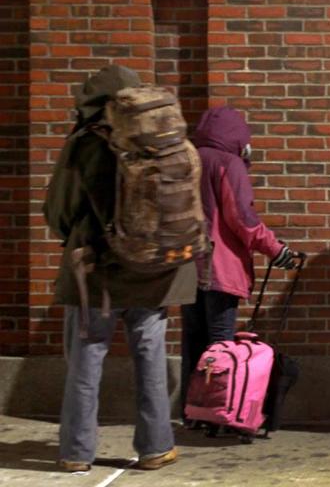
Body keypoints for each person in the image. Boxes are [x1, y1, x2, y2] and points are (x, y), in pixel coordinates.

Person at [45, 65, 197, 472]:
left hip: (97, 272)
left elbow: (58, 210)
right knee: (150, 354)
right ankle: (156, 447)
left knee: (87, 356)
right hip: (155, 269)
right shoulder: (162, 137)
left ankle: (77, 452)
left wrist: (77, 233)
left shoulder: (86, 142)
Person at [180, 106, 298, 424]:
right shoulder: (227, 163)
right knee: (220, 342)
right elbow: (243, 218)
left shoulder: (187, 159)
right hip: (219, 266)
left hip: (187, 265)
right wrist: (276, 249)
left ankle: (190, 410)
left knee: (193, 342)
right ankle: (217, 410)